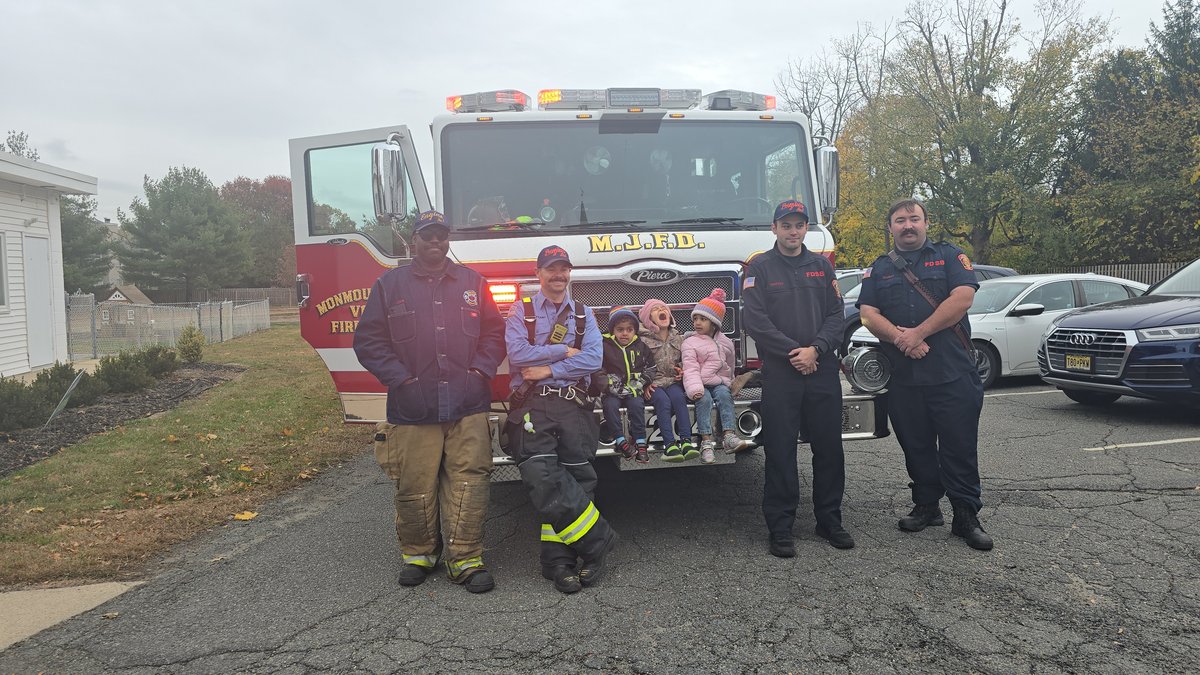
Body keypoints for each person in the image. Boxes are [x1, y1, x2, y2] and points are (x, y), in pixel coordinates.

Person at [353, 210, 506, 593]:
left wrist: (480, 372)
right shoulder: (389, 285)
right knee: (415, 484)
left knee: (469, 482)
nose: (435, 241)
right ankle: (419, 554)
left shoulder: (473, 283)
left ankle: (465, 559)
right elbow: (368, 341)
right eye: (427, 235)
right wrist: (401, 380)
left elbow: (494, 333)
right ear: (414, 241)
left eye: (441, 235)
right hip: (413, 406)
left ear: (447, 239)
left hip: (468, 403)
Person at [856, 198, 993, 551]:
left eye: (914, 218)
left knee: (959, 447)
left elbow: (962, 298)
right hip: (905, 378)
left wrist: (918, 333)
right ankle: (927, 506)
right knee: (915, 446)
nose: (908, 225)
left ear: (926, 223)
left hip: (952, 373)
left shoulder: (950, 256)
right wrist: (901, 339)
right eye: (900, 220)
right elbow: (868, 314)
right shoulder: (880, 267)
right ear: (890, 227)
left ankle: (966, 515)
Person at [505, 244, 618, 594]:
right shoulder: (521, 310)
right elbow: (517, 354)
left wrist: (548, 368)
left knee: (578, 479)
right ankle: (597, 541)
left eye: (563, 268)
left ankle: (557, 561)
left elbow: (593, 359)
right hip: (532, 403)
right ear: (538, 273)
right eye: (551, 268)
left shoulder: (584, 314)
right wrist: (562, 351)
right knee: (540, 475)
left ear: (569, 272)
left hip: (573, 404)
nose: (558, 275)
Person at [743, 199, 853, 557]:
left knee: (829, 449)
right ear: (774, 228)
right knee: (780, 450)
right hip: (781, 372)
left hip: (821, 369)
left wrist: (816, 350)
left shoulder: (821, 266)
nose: (793, 231)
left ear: (806, 228)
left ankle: (829, 521)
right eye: (786, 225)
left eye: (799, 225)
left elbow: (836, 315)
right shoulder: (759, 267)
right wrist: (795, 352)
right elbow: (755, 320)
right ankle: (780, 527)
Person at [681, 288, 750, 464]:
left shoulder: (726, 342)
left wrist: (732, 383)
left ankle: (729, 436)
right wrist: (695, 389)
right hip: (699, 384)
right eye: (695, 319)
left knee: (725, 396)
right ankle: (706, 442)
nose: (697, 322)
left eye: (703, 319)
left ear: (714, 323)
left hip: (719, 383)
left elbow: (730, 366)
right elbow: (690, 368)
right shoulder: (690, 342)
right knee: (703, 400)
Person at [638, 299, 695, 461]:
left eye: (663, 308)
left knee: (679, 399)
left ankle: (686, 442)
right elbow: (636, 364)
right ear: (648, 318)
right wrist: (644, 384)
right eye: (655, 309)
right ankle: (669, 445)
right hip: (653, 384)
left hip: (672, 381)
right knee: (663, 402)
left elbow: (686, 358)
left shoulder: (677, 337)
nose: (661, 310)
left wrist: (681, 369)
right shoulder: (642, 340)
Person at [599, 306, 656, 464]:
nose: (625, 333)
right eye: (620, 329)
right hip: (612, 392)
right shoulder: (605, 346)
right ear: (612, 330)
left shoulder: (641, 347)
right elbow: (598, 369)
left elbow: (651, 368)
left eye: (629, 330)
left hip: (634, 391)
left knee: (637, 406)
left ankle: (640, 443)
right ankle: (620, 440)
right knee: (610, 406)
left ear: (635, 331)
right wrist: (609, 385)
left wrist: (641, 383)